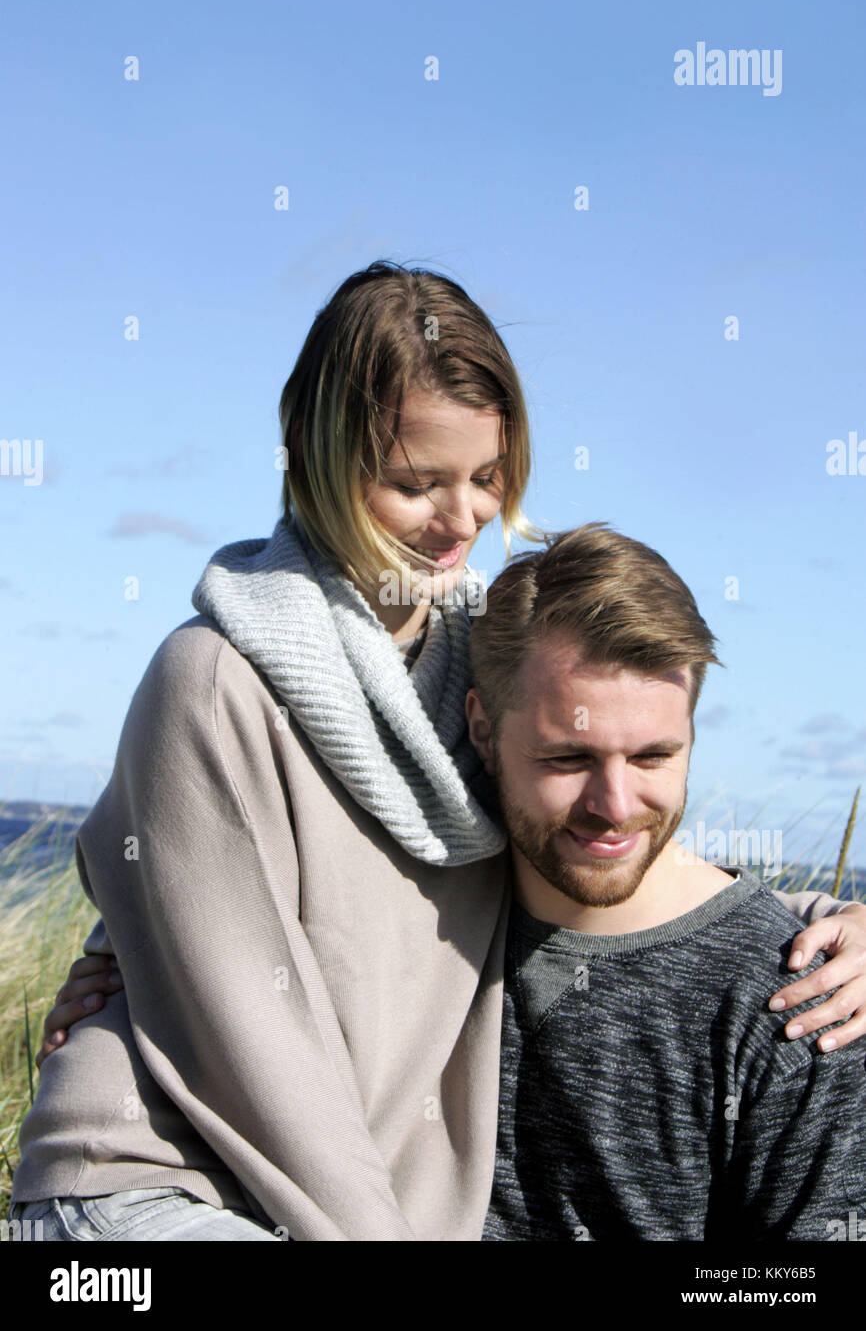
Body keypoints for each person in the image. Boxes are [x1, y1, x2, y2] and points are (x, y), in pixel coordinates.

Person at [10, 263, 866, 1243]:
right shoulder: (214, 682)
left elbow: (599, 823)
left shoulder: (475, 646)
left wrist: (817, 922)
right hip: (162, 1185)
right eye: (417, 483)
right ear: (324, 461)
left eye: (487, 478)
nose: (462, 519)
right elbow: (255, 1046)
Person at [464, 525, 866, 1240]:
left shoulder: (801, 1006)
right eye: (566, 758)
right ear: (482, 728)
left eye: (653, 756)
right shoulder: (415, 920)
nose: (615, 807)